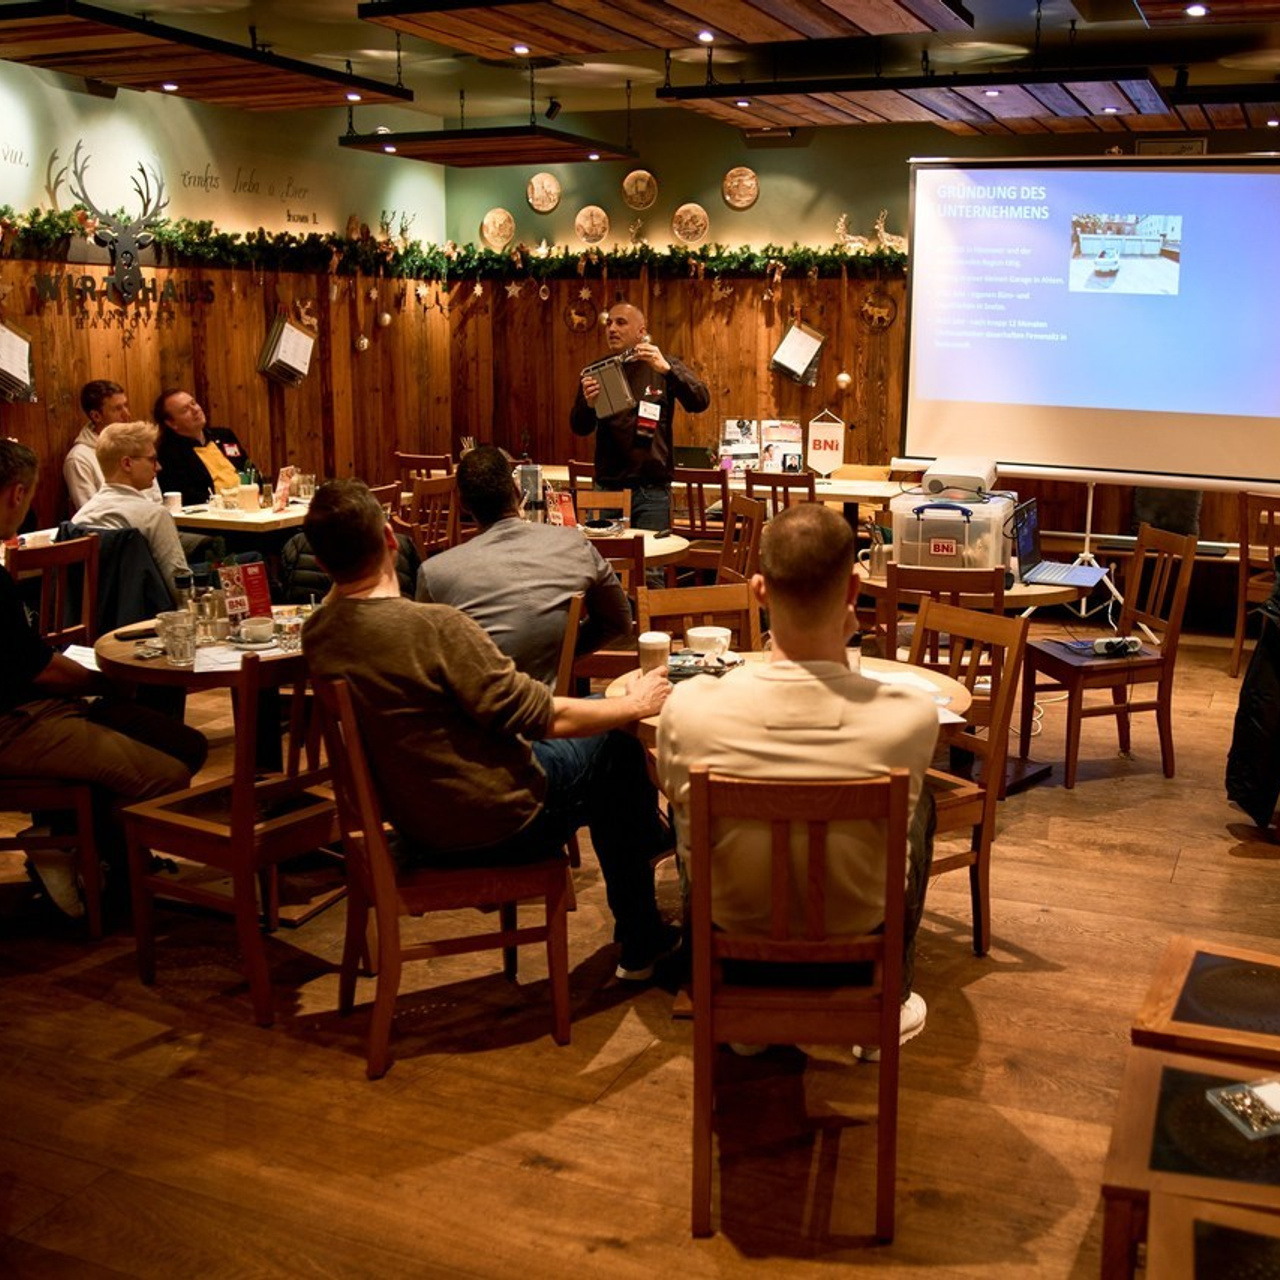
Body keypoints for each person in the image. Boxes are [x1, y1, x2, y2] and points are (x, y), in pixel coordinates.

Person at [303, 479, 680, 981]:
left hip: (419, 823)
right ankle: (644, 924)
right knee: (617, 740)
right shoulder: (435, 628)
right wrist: (636, 704)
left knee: (603, 726)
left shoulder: (320, 634)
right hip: (501, 821)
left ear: (324, 564)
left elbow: (340, 595)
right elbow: (545, 718)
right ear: (392, 540)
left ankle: (645, 855)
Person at [656, 502, 939, 1054]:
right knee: (920, 804)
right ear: (854, 588)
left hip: (732, 958)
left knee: (687, 812)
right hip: (855, 962)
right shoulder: (910, 719)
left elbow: (679, 817)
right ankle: (891, 998)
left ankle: (745, 1021)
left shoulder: (688, 710)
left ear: (759, 590)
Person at [0, 440, 207, 917]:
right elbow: (38, 670)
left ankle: (69, 839)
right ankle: (116, 884)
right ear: (16, 494)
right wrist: (106, 681)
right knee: (168, 776)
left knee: (186, 745)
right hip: (14, 723)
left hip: (39, 703)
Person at [416, 445, 631, 687]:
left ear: (463, 504)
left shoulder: (435, 574)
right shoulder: (573, 543)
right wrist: (563, 653)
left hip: (480, 717)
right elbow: (619, 620)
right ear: (518, 491)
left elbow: (424, 666)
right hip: (559, 715)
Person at [569, 302, 710, 533]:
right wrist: (589, 405)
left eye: (621, 322)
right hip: (608, 489)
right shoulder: (596, 372)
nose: (612, 329)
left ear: (641, 331)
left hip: (652, 490)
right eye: (609, 323)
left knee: (652, 567)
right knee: (608, 564)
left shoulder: (663, 366)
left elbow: (701, 401)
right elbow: (579, 427)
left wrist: (668, 371)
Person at [73, 422, 188, 603]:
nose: (158, 467)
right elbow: (178, 584)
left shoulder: (79, 520)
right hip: (146, 621)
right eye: (151, 459)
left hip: (94, 621)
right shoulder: (154, 516)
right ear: (127, 463)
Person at [65, 380, 163, 511]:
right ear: (96, 416)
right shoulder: (79, 459)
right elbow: (90, 512)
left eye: (125, 406)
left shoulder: (136, 445)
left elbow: (156, 498)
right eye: (117, 409)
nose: (127, 414)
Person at [153, 388, 255, 506]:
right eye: (185, 410)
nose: (195, 410)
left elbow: (250, 470)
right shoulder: (169, 453)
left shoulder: (224, 436)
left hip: (249, 502)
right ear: (171, 423)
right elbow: (188, 496)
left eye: (193, 403)